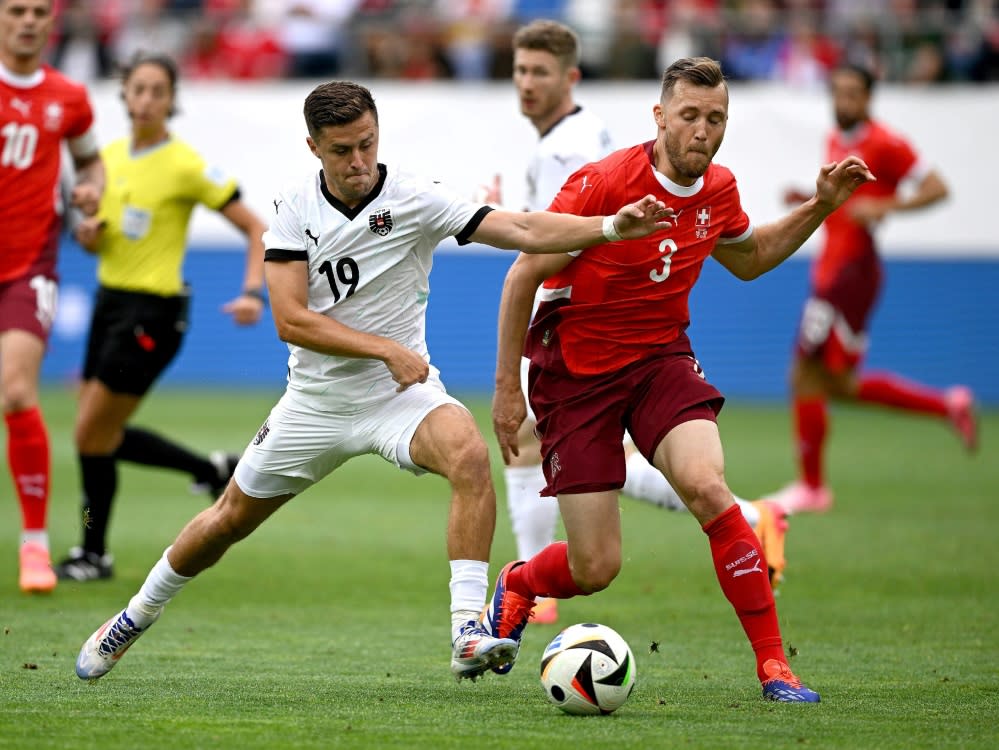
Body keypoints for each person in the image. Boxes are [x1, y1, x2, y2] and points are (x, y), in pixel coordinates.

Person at [74, 80, 674, 683]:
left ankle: (467, 628)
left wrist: (608, 229)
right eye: (341, 151)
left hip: (399, 399)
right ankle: (131, 617)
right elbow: (290, 319)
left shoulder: (417, 197)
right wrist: (383, 348)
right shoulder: (290, 208)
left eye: (367, 143)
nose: (358, 161)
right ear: (313, 147)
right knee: (229, 518)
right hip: (315, 402)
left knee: (468, 454)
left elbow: (519, 230)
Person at [487, 56, 875, 703]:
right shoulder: (604, 183)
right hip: (575, 375)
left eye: (715, 118)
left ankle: (774, 667)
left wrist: (821, 206)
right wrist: (505, 390)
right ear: (659, 117)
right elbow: (523, 273)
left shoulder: (718, 188)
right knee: (595, 567)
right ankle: (522, 581)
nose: (702, 129)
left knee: (706, 486)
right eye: (689, 115)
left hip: (660, 360)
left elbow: (749, 259)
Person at [492, 20, 790, 625]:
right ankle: (534, 585)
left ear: (570, 77)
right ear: (660, 116)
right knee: (582, 485)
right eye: (520, 70)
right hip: (583, 343)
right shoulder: (574, 141)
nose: (526, 83)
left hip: (589, 334)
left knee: (539, 450)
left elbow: (545, 245)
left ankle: (531, 590)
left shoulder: (572, 154)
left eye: (539, 72)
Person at [53, 52, 269, 583]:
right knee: (98, 433)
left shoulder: (185, 165)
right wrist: (89, 235)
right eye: (138, 88)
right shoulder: (106, 159)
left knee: (89, 434)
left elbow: (256, 228)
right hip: (110, 304)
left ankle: (92, 551)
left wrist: (252, 293)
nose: (147, 99)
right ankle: (209, 469)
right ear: (123, 95)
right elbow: (100, 238)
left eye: (158, 90)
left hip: (152, 314)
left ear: (173, 100)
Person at [766, 62, 974, 514]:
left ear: (868, 97)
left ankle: (812, 487)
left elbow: (938, 188)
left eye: (852, 94)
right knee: (838, 384)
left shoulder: (885, 142)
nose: (843, 101)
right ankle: (946, 405)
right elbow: (845, 201)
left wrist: (887, 205)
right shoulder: (838, 139)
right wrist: (810, 196)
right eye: (837, 92)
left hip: (852, 274)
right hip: (832, 271)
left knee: (803, 374)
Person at [0, 0, 104, 593]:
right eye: (17, 9)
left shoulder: (68, 97)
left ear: (52, 21)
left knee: (16, 392)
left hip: (27, 267)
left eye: (40, 10)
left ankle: (34, 547)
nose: (29, 20)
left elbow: (89, 163)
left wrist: (89, 196)